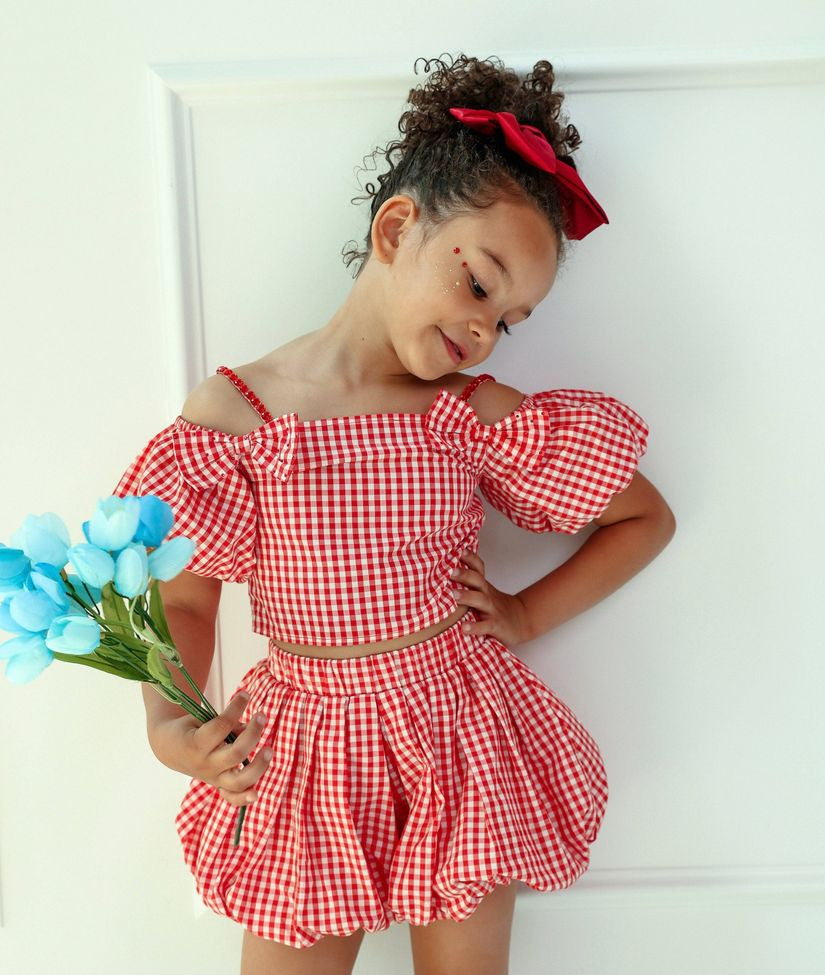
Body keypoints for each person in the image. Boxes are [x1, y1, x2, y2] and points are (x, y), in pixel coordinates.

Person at [111, 52, 676, 975]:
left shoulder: (466, 412)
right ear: (397, 226)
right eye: (481, 284)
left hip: (455, 731)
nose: (487, 329)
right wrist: (168, 719)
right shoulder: (239, 420)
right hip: (303, 751)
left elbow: (642, 517)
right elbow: (185, 597)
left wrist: (526, 612)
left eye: (512, 318)